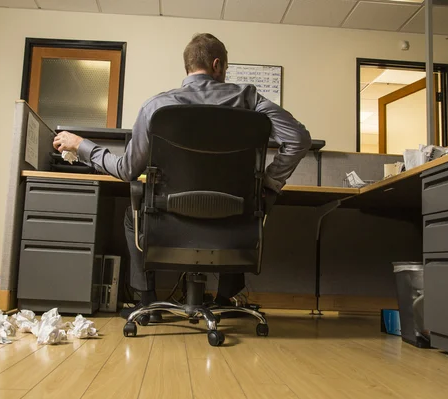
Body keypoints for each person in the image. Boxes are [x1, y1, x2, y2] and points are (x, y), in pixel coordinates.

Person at [53, 33, 311, 320]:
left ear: (188, 67)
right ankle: (226, 297)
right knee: (246, 202)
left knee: (132, 214)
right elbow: (299, 139)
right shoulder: (249, 100)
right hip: (230, 220)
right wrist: (267, 182)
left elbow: (127, 170)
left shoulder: (157, 107)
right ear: (217, 65)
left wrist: (82, 146)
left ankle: (148, 302)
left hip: (171, 221)